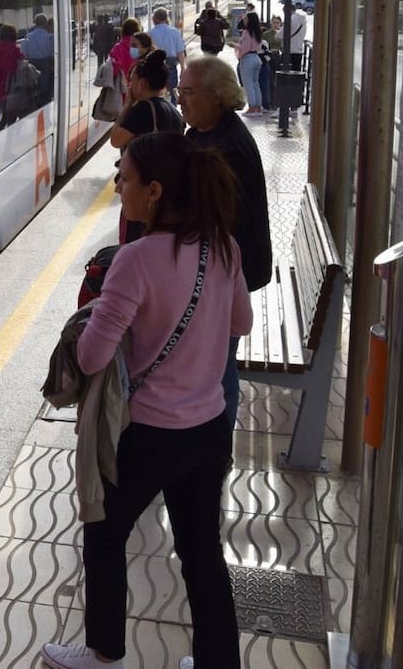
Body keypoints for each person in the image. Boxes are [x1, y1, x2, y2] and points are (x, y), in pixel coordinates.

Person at [40, 133, 251, 669]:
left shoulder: (135, 259)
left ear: (154, 191)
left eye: (125, 177)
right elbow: (241, 323)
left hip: (149, 433)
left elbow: (90, 359)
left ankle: (104, 652)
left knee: (105, 534)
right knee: (202, 553)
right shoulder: (222, 246)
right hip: (208, 427)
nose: (118, 185)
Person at [176, 56, 273, 426]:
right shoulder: (205, 132)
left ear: (216, 96)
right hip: (225, 266)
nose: (181, 100)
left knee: (219, 361)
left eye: (189, 93)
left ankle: (218, 442)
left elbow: (212, 220)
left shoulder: (226, 148)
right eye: (180, 91)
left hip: (230, 272)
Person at [110, 50, 185, 244]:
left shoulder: (142, 109)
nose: (129, 85)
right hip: (167, 193)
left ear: (142, 84)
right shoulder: (172, 110)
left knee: (133, 244)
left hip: (141, 192)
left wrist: (127, 106)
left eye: (131, 80)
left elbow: (116, 139)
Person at [148, 7, 185, 103]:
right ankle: (171, 111)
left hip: (155, 66)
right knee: (172, 92)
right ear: (166, 18)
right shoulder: (174, 31)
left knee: (157, 93)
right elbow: (180, 52)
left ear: (154, 18)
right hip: (171, 66)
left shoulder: (150, 33)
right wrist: (183, 68)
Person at [235, 9, 264, 116]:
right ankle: (258, 107)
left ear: (250, 20)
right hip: (256, 57)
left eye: (246, 18)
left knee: (248, 84)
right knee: (256, 83)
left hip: (248, 59)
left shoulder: (247, 32)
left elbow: (245, 47)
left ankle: (252, 107)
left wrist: (235, 45)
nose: (244, 20)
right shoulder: (258, 32)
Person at [22, 12, 55, 106]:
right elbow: (52, 50)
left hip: (32, 62)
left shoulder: (28, 36)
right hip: (46, 62)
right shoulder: (49, 37)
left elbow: (24, 52)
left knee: (34, 82)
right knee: (45, 84)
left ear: (35, 23)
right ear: (45, 23)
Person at [108, 17, 140, 85]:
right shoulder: (141, 47)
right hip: (139, 87)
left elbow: (112, 69)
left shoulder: (117, 48)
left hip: (122, 87)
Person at [284, 2, 307, 71]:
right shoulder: (303, 21)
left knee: (288, 71)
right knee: (297, 70)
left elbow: (281, 34)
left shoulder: (291, 20)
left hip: (289, 50)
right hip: (299, 49)